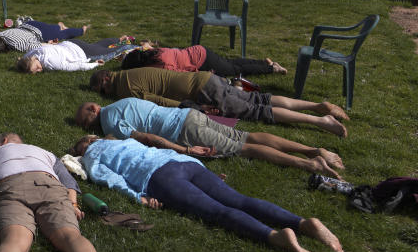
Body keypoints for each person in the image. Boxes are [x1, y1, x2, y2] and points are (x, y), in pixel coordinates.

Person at [71, 135, 344, 252]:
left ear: (83, 149)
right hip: (184, 163)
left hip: (161, 179)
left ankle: (274, 236)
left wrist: (138, 196)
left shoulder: (92, 156)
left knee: (217, 213)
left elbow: (111, 179)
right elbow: (156, 146)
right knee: (240, 199)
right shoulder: (124, 140)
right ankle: (303, 223)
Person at [75, 98, 346, 178]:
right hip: (190, 116)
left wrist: (184, 150)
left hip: (184, 132)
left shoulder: (109, 120)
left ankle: (310, 165)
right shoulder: (121, 103)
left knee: (246, 149)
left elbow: (147, 137)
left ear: (92, 113)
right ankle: (313, 150)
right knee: (249, 135)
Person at [89, 68, 349, 136]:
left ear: (105, 81)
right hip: (205, 78)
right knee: (259, 97)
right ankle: (316, 105)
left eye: (103, 91)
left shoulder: (123, 87)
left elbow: (158, 100)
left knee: (258, 111)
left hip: (203, 92)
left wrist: (192, 107)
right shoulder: (130, 73)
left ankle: (320, 120)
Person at [120, 45, 287, 77]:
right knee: (231, 63)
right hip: (199, 51)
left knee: (234, 70)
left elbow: (181, 73)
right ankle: (264, 62)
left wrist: (205, 74)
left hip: (202, 61)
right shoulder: (154, 52)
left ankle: (271, 68)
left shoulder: (160, 65)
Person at [0, 18, 89, 53]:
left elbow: (36, 45)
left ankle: (81, 30)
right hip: (29, 24)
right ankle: (59, 25)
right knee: (53, 28)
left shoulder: (17, 45)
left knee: (63, 34)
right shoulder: (0, 34)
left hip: (40, 33)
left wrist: (49, 44)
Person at [15, 39, 114, 73]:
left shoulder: (50, 63)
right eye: (35, 72)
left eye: (37, 67)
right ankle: (119, 38)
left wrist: (95, 64)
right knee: (97, 45)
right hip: (70, 43)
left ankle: (128, 42)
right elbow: (22, 59)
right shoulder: (31, 54)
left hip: (82, 52)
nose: (39, 70)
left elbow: (76, 66)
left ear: (32, 60)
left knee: (110, 53)